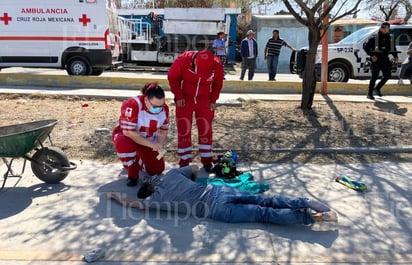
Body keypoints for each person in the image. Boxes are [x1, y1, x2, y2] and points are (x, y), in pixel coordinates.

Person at [106, 165, 338, 225]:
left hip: (217, 210)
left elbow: (133, 204)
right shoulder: (174, 175)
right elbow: (196, 168)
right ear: (155, 181)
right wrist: (191, 180)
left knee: (263, 213)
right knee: (264, 200)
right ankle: (306, 202)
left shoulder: (156, 201)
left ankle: (315, 218)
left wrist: (115, 197)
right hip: (219, 190)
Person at [167, 49, 224, 170]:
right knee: (184, 128)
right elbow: (172, 78)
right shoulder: (183, 60)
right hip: (185, 98)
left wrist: (213, 99)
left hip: (205, 99)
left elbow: (218, 83)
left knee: (205, 128)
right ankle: (184, 160)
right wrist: (178, 95)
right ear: (194, 62)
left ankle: (207, 159)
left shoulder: (217, 64)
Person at [112, 82, 169, 187]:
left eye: (161, 105)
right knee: (124, 143)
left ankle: (139, 159)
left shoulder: (164, 109)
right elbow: (128, 132)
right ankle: (132, 173)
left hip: (147, 140)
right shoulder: (132, 104)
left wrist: (159, 143)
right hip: (127, 137)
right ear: (146, 99)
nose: (159, 108)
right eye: (155, 106)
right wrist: (151, 144)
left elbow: (163, 129)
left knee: (157, 169)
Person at [363, 22, 398, 100]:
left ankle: (378, 88)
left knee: (387, 75)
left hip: (385, 59)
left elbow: (393, 49)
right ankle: (370, 93)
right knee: (374, 77)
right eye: (384, 29)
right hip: (376, 60)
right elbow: (365, 47)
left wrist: (395, 56)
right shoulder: (374, 38)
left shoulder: (389, 38)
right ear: (381, 29)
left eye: (387, 29)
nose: (386, 30)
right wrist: (372, 55)